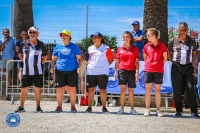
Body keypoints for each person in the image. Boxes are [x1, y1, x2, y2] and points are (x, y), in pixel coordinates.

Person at [168, 22, 199, 118]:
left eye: (184, 30)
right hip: (177, 67)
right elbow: (169, 53)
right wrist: (173, 61)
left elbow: (194, 53)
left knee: (191, 89)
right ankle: (178, 111)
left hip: (188, 67)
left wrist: (191, 61)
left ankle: (194, 112)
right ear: (178, 30)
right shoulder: (173, 40)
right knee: (177, 90)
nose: (182, 32)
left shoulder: (191, 41)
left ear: (187, 30)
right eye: (180, 30)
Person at [15, 26, 48, 113]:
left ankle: (38, 107)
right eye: (30, 32)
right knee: (24, 88)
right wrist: (26, 62)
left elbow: (45, 56)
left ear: (37, 34)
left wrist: (40, 63)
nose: (32, 34)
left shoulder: (41, 44)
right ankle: (21, 107)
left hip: (38, 71)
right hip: (26, 71)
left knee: (37, 89)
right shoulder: (24, 43)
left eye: (34, 32)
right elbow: (20, 54)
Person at [51, 29, 82, 113]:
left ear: (69, 37)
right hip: (60, 70)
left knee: (72, 89)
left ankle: (73, 107)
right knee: (59, 89)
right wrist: (52, 68)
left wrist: (79, 68)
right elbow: (53, 59)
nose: (62, 36)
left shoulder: (74, 47)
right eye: (62, 35)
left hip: (72, 71)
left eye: (64, 35)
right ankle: (59, 106)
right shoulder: (57, 47)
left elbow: (80, 59)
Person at [85, 32, 113, 113]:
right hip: (91, 72)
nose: (94, 39)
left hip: (102, 72)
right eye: (93, 37)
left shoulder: (106, 48)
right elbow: (86, 60)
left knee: (102, 90)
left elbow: (110, 60)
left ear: (100, 38)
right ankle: (89, 107)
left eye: (96, 37)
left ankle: (104, 107)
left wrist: (102, 66)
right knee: (91, 90)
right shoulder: (90, 48)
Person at [143, 28, 167, 117]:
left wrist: (159, 65)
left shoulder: (162, 46)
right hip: (148, 69)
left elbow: (165, 58)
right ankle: (147, 110)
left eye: (149, 35)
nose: (147, 36)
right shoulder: (146, 46)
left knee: (157, 90)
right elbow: (145, 58)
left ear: (154, 36)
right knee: (148, 90)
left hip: (159, 70)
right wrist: (150, 65)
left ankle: (158, 110)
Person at [114, 31, 139, 115]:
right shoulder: (120, 49)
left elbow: (137, 62)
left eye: (127, 37)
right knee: (123, 90)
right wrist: (115, 71)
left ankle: (132, 109)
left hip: (131, 71)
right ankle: (121, 108)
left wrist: (137, 72)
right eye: (124, 37)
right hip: (122, 71)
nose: (125, 38)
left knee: (131, 90)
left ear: (130, 38)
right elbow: (117, 61)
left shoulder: (135, 49)